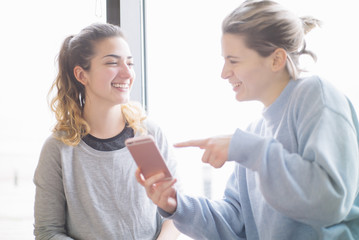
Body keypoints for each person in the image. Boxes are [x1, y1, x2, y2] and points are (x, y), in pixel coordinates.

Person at [135, 0, 359, 239]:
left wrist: (247, 149)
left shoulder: (316, 96)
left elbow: (330, 202)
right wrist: (177, 206)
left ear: (276, 59)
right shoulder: (254, 133)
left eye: (233, 60)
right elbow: (236, 222)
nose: (223, 73)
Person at [33, 22, 180, 240]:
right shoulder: (58, 150)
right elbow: (48, 232)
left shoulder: (149, 134)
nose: (127, 73)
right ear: (82, 75)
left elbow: (174, 215)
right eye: (112, 62)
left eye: (130, 63)